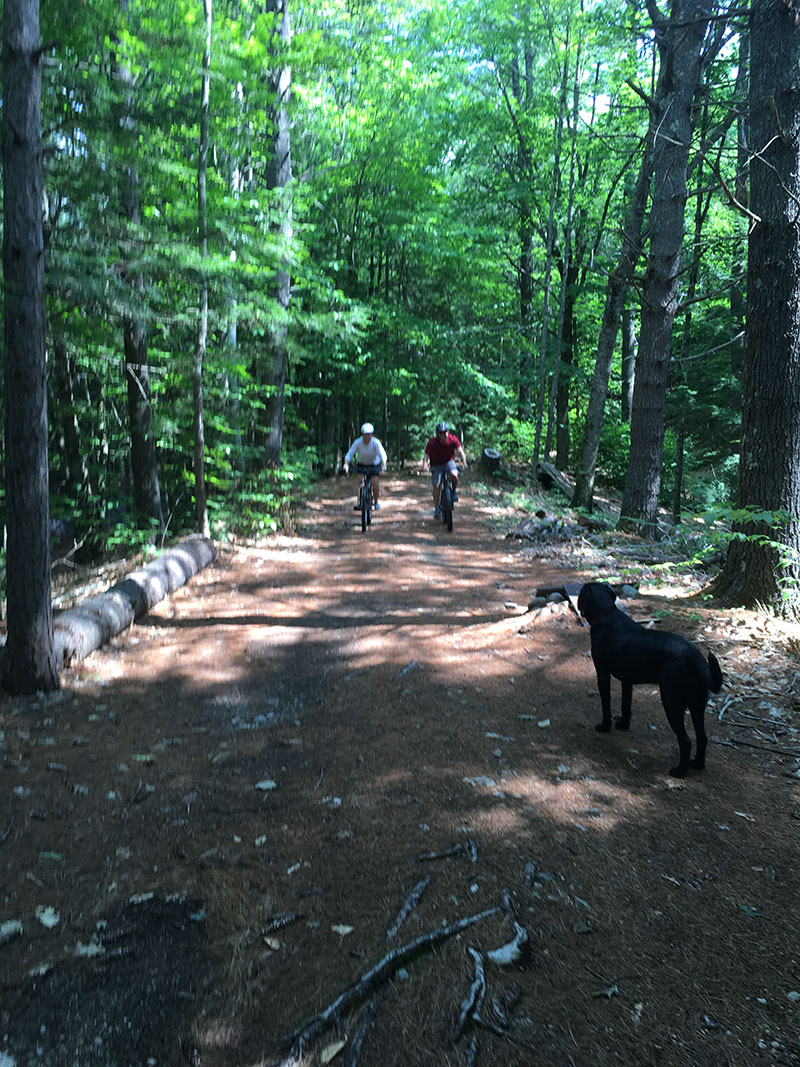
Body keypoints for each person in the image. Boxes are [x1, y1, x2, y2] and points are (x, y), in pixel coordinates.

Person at [423, 421, 468, 518]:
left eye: (445, 432)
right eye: (441, 433)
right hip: (436, 464)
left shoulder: (453, 439)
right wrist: (425, 465)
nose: (443, 435)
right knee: (436, 485)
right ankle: (437, 508)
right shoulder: (432, 442)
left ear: (448, 432)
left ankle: (454, 491)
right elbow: (426, 455)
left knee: (454, 475)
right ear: (437, 434)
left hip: (448, 461)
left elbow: (460, 451)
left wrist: (464, 462)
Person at [343, 423, 388, 510]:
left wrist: (384, 464)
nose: (367, 437)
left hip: (374, 465)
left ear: (371, 435)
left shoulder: (375, 442)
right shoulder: (358, 442)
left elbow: (383, 454)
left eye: (369, 434)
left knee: (375, 481)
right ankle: (360, 501)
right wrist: (346, 464)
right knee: (361, 482)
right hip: (362, 465)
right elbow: (349, 454)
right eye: (365, 435)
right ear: (362, 434)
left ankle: (376, 502)